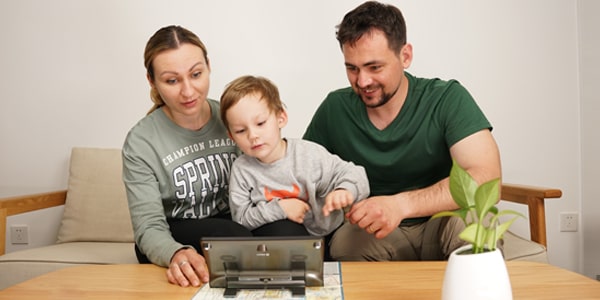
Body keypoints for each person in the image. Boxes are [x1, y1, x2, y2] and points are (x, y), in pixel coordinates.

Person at [303, 1, 501, 261]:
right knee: (346, 244)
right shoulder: (334, 109)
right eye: (352, 68)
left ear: (405, 56)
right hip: (378, 234)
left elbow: (487, 179)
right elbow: (300, 172)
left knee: (479, 223)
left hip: (444, 222)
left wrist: (401, 204)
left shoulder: (447, 98)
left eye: (375, 67)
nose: (362, 81)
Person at [122, 25, 252, 288]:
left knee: (289, 232)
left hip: (236, 223)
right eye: (172, 80)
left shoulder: (231, 116)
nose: (188, 91)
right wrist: (175, 252)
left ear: (208, 66)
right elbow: (148, 226)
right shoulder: (141, 141)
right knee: (230, 234)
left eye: (196, 74)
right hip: (173, 234)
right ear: (152, 81)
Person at [220, 75, 370, 239]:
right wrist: (281, 209)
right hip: (279, 241)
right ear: (232, 137)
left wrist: (345, 190)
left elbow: (356, 174)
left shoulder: (308, 155)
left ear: (280, 118)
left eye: (261, 123)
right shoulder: (242, 170)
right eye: (241, 131)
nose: (253, 135)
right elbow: (240, 219)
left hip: (326, 234)